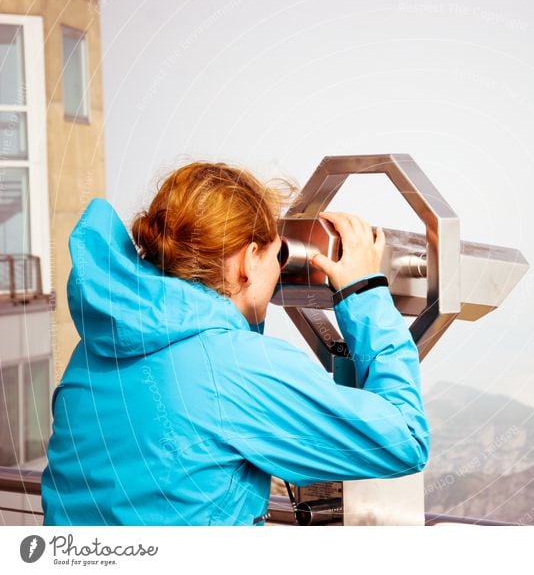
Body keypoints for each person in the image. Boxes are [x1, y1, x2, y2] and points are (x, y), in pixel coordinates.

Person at [41, 162, 429, 525]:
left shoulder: (93, 352)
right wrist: (364, 292)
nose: (281, 267)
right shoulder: (235, 367)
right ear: (247, 260)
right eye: (278, 253)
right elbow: (404, 441)